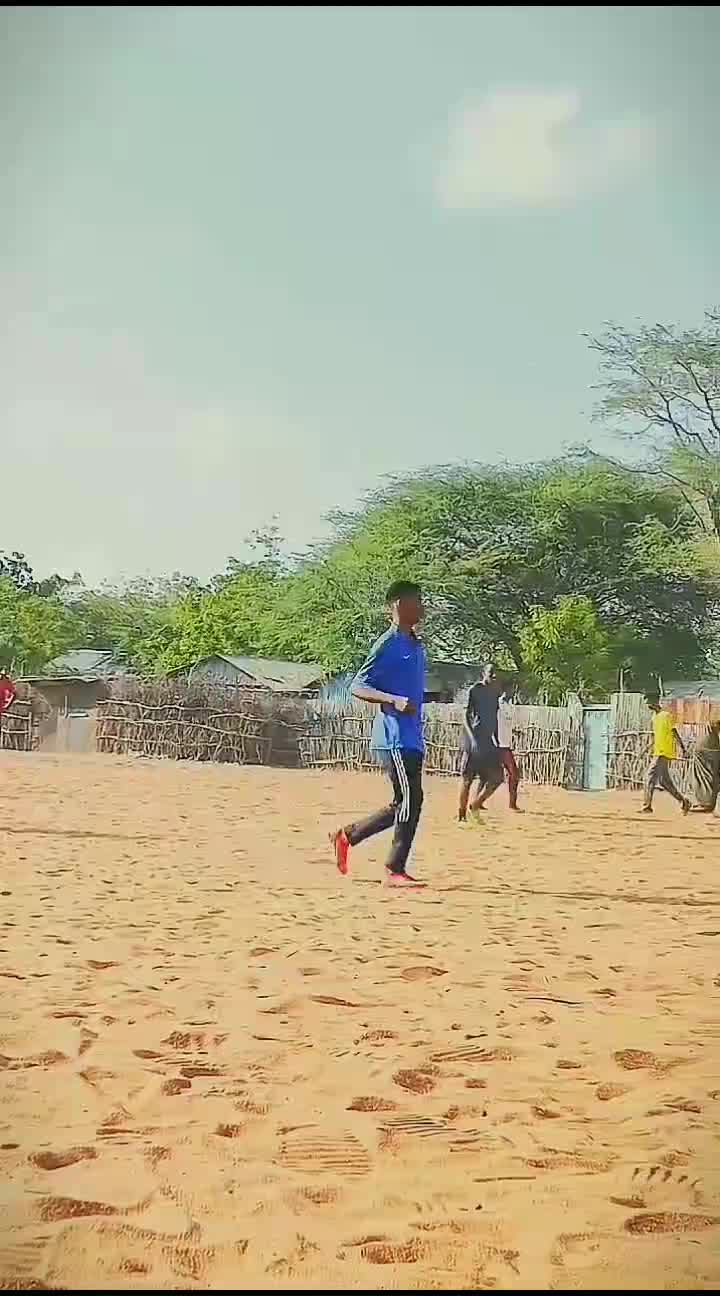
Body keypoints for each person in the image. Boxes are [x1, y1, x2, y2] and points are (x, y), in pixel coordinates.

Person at [330, 580, 427, 887]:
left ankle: (348, 835)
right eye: (417, 600)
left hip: (412, 737)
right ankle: (394, 869)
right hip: (394, 736)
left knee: (405, 803)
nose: (422, 606)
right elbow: (358, 686)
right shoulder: (387, 643)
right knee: (411, 799)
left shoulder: (416, 644)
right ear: (399, 604)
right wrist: (393, 700)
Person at [458, 663, 504, 822]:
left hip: (487, 742)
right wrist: (472, 739)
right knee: (467, 779)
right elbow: (465, 716)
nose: (494, 676)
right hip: (474, 740)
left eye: (496, 674)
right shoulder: (475, 690)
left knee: (497, 778)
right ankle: (461, 815)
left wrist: (497, 740)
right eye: (491, 673)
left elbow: (494, 718)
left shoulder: (495, 693)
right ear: (484, 673)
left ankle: (475, 804)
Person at [641, 695, 690, 814]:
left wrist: (683, 748)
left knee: (649, 776)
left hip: (664, 752)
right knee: (664, 781)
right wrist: (646, 748)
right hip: (658, 751)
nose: (648, 706)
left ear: (654, 702)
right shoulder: (654, 718)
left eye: (648, 703)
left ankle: (647, 806)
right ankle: (684, 801)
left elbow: (674, 732)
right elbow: (656, 736)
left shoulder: (666, 716)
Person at [691, 720, 720, 812]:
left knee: (704, 775)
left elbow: (714, 722)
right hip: (711, 747)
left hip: (707, 749)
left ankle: (706, 803)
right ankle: (706, 802)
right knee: (709, 774)